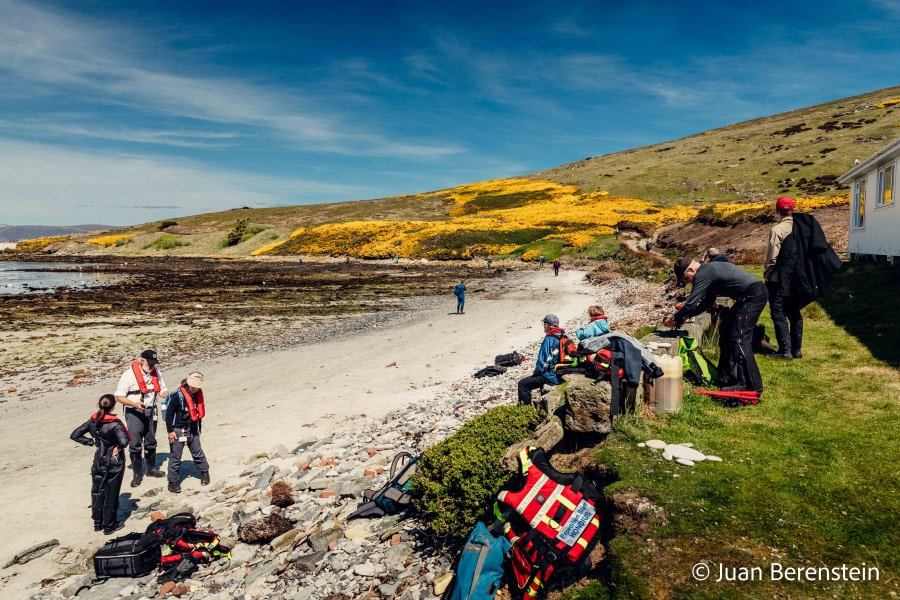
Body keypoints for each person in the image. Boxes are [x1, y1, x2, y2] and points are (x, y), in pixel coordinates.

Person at [664, 257, 768, 393]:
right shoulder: (708, 271)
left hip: (754, 296)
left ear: (690, 270)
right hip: (747, 297)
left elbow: (690, 304)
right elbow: (707, 302)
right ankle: (728, 375)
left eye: (686, 278)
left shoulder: (703, 273)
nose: (688, 282)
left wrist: (674, 318)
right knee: (726, 330)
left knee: (740, 339)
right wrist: (687, 316)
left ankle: (750, 384)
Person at [70, 394, 129, 534]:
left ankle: (98, 523)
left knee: (97, 491)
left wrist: (92, 442)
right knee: (111, 492)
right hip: (113, 462)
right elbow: (124, 441)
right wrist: (117, 448)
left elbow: (75, 435)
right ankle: (109, 526)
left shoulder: (93, 421)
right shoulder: (115, 423)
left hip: (98, 460)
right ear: (113, 406)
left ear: (99, 405)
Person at [115, 349, 168, 487]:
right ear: (141, 360)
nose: (152, 366)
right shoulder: (128, 375)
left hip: (151, 411)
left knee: (151, 440)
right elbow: (119, 396)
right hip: (134, 412)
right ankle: (137, 474)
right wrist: (134, 404)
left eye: (154, 363)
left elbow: (163, 388)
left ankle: (151, 469)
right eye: (149, 363)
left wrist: (165, 393)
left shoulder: (156, 373)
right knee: (135, 443)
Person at [765, 197, 802, 359]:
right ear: (792, 210)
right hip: (798, 277)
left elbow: (773, 257)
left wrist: (767, 272)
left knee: (777, 312)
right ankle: (797, 351)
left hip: (779, 278)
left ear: (777, 211)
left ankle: (785, 351)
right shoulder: (802, 229)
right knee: (794, 312)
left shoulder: (777, 230)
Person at [165, 372, 210, 493]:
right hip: (178, 429)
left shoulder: (198, 394)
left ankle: (204, 473)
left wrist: (199, 429)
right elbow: (169, 414)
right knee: (175, 456)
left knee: (197, 451)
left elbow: (198, 414)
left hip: (193, 428)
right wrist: (170, 431)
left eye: (197, 385)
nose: (195, 388)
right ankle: (173, 482)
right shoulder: (177, 397)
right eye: (193, 385)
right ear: (188, 383)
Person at [517, 314, 567, 403]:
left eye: (544, 323)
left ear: (547, 325)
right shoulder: (563, 335)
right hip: (561, 372)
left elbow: (544, 362)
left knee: (522, 384)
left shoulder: (549, 339)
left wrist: (536, 372)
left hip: (551, 376)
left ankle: (525, 411)